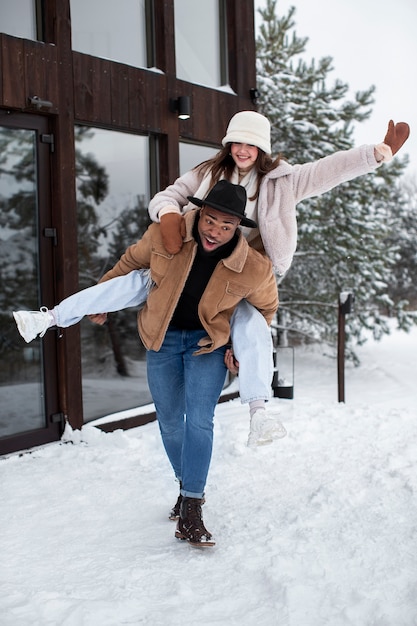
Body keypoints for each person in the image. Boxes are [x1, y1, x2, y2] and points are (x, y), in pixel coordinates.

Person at [13, 113, 410, 443]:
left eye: (250, 145)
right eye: (237, 143)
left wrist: (375, 154)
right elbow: (167, 198)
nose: (242, 151)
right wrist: (168, 217)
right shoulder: (207, 172)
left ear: (262, 149)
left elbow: (327, 171)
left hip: (242, 272)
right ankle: (47, 318)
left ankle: (259, 413)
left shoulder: (284, 181)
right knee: (134, 281)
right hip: (193, 260)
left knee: (251, 324)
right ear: (228, 144)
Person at [100, 180, 279, 547]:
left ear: (237, 229)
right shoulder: (168, 236)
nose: (215, 232)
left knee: (199, 419)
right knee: (169, 422)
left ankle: (192, 506)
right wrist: (100, 297)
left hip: (207, 345)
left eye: (226, 226)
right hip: (161, 341)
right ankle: (186, 487)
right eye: (210, 221)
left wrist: (241, 346)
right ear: (199, 214)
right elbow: (130, 263)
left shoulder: (254, 268)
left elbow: (265, 309)